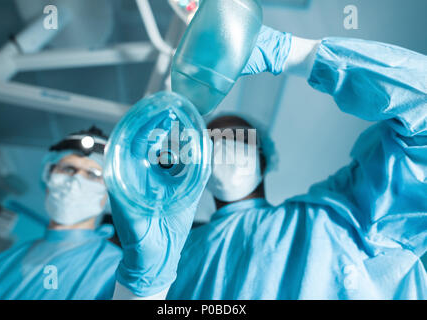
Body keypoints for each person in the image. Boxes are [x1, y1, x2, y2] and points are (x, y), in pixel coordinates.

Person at [110, 25, 427, 300]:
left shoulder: (342, 220)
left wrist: (295, 53)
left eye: (235, 137)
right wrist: (143, 286)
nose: (220, 145)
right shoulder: (175, 255)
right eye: (208, 141)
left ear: (263, 155)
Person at [0, 126, 122, 300]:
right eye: (68, 169)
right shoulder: (0, 262)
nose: (74, 181)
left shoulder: (117, 270)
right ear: (48, 176)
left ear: (108, 194)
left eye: (92, 174)